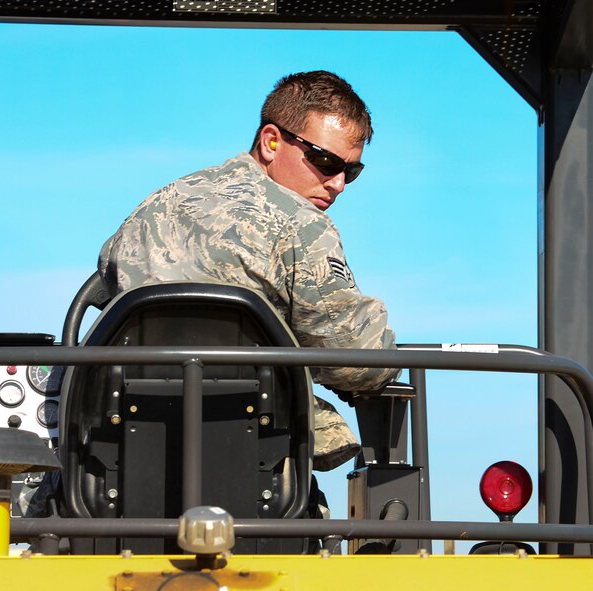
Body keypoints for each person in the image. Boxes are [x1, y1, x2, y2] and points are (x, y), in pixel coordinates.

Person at [98, 71, 400, 471]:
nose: (339, 183)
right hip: (256, 455)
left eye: (352, 171)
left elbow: (105, 286)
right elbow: (357, 359)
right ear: (271, 141)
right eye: (325, 161)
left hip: (123, 447)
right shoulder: (301, 225)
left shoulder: (154, 205)